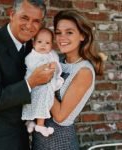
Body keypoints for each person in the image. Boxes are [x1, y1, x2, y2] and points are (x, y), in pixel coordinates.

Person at [0, 1, 56, 150]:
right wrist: (31, 82)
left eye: (36, 21)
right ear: (12, 14)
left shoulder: (33, 48)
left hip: (21, 138)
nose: (30, 26)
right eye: (24, 18)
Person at [32, 9, 104, 150]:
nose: (61, 37)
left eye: (69, 32)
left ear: (82, 35)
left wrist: (43, 83)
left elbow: (60, 116)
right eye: (58, 33)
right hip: (40, 140)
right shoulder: (58, 61)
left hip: (60, 142)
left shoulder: (84, 71)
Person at [21, 28, 64, 137]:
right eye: (39, 42)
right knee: (37, 103)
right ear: (34, 43)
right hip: (36, 85)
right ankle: (39, 124)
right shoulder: (32, 56)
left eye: (47, 42)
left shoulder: (52, 54)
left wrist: (55, 67)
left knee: (43, 102)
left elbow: (57, 65)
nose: (43, 45)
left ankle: (32, 122)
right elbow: (33, 67)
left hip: (47, 84)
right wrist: (48, 67)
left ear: (52, 45)